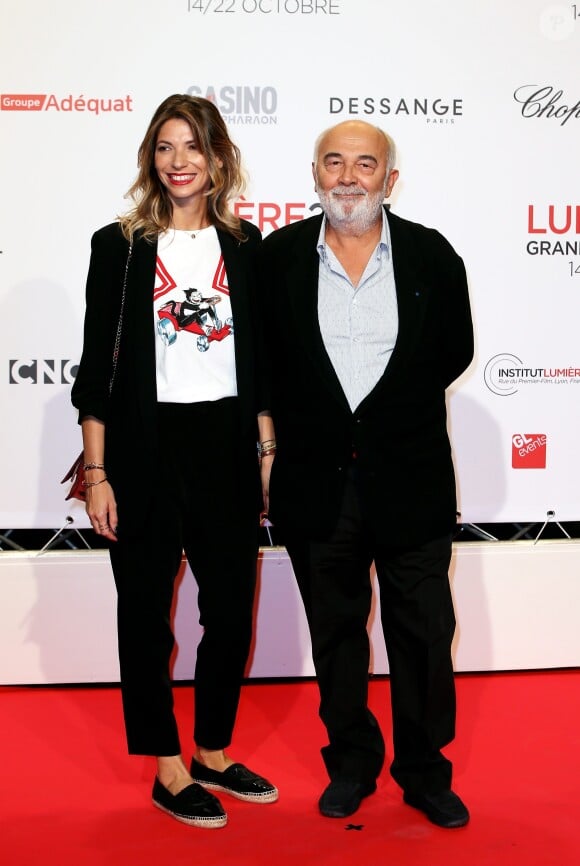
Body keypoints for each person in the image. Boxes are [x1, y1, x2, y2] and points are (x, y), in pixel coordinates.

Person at [72, 94, 277, 829]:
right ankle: (165, 765)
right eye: (165, 146)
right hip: (143, 449)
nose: (179, 161)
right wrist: (96, 474)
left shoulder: (248, 246)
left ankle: (214, 752)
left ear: (219, 158)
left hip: (225, 447)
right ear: (150, 158)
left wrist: (265, 448)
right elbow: (97, 367)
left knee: (228, 612)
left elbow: (260, 362)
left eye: (193, 147)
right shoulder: (119, 244)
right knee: (146, 617)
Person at [260, 120, 473, 828]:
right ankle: (352, 762)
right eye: (334, 162)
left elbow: (452, 350)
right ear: (314, 174)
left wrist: (382, 420)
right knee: (337, 635)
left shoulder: (432, 257)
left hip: (410, 483)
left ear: (390, 178)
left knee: (423, 632)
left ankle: (423, 770)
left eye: (365, 163)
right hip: (316, 486)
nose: (348, 176)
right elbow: (263, 367)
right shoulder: (279, 259)